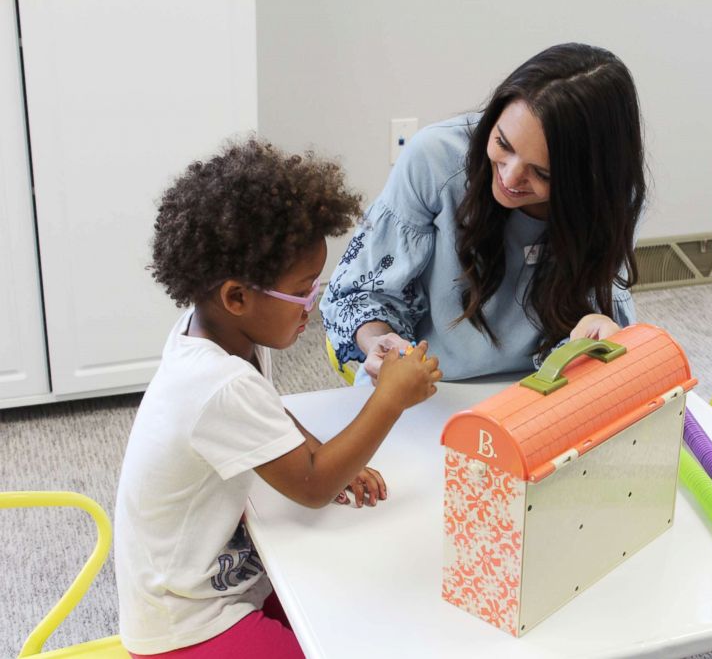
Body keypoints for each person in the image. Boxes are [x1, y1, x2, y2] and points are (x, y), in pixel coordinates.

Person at [114, 138, 441, 658]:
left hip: (222, 582)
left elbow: (266, 413)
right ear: (237, 296)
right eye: (305, 289)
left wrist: (324, 451)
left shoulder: (218, 338)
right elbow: (311, 486)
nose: (313, 303)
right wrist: (389, 400)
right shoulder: (216, 384)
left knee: (349, 606)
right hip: (187, 625)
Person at [321, 42, 645, 383]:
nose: (509, 177)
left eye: (543, 173)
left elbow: (589, 325)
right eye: (503, 144)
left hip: (545, 390)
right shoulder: (434, 159)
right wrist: (378, 341)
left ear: (589, 181)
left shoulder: (613, 200)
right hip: (427, 385)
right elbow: (360, 293)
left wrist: (593, 335)